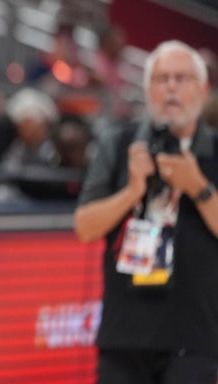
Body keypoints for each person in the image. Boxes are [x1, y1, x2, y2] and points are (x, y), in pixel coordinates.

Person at [74, 40, 218, 384]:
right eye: (161, 79)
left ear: (202, 89)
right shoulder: (118, 143)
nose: (171, 87)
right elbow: (84, 227)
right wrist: (132, 192)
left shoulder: (215, 150)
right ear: (147, 89)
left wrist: (198, 186)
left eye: (181, 79)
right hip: (123, 333)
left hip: (196, 333)